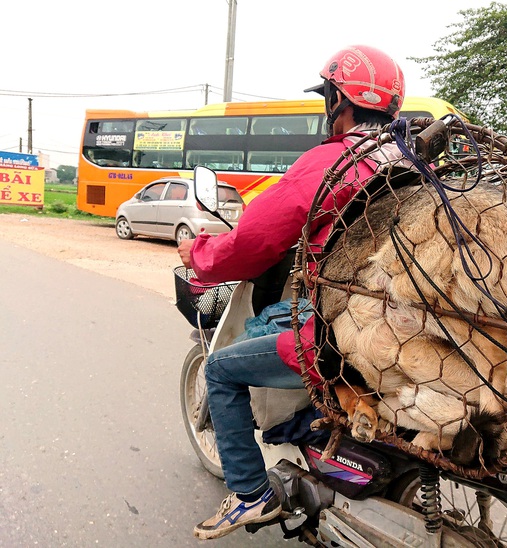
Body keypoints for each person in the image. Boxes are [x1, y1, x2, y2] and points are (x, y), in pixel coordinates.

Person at [177, 45, 406, 540]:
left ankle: (251, 494)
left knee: (220, 369)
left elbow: (256, 239)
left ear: (340, 103)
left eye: (330, 97)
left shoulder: (336, 161)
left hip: (338, 324)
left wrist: (199, 254)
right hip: (399, 316)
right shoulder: (407, 162)